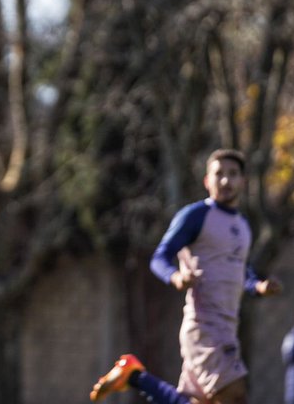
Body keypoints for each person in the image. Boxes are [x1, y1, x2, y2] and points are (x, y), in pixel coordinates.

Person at [89, 148, 282, 404]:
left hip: (227, 326)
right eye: (219, 174)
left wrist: (257, 286)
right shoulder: (196, 216)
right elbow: (160, 257)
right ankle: (134, 376)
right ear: (207, 181)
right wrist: (176, 277)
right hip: (205, 326)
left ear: (243, 181)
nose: (225, 180)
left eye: (233, 174)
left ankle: (134, 375)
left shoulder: (243, 226)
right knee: (235, 396)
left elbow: (237, 270)